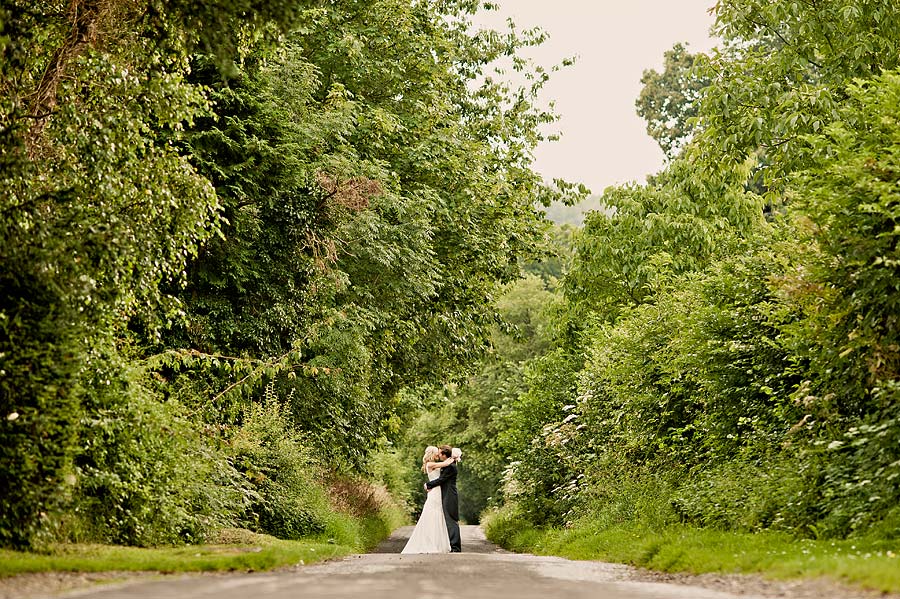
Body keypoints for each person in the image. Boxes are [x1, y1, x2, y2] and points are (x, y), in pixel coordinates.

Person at [400, 446, 454, 554]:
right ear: (432, 454)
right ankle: (430, 542)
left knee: (438, 514)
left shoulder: (433, 464)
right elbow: (445, 464)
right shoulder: (430, 464)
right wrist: (453, 457)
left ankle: (439, 543)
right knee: (432, 514)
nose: (438, 455)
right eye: (436, 453)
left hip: (438, 490)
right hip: (434, 492)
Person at [425, 445, 461, 553]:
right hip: (442, 494)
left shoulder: (450, 466)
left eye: (440, 453)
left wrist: (428, 485)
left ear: (445, 455)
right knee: (445, 520)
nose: (438, 455)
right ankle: (449, 545)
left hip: (449, 495)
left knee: (451, 520)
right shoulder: (446, 465)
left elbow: (442, 479)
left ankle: (455, 547)